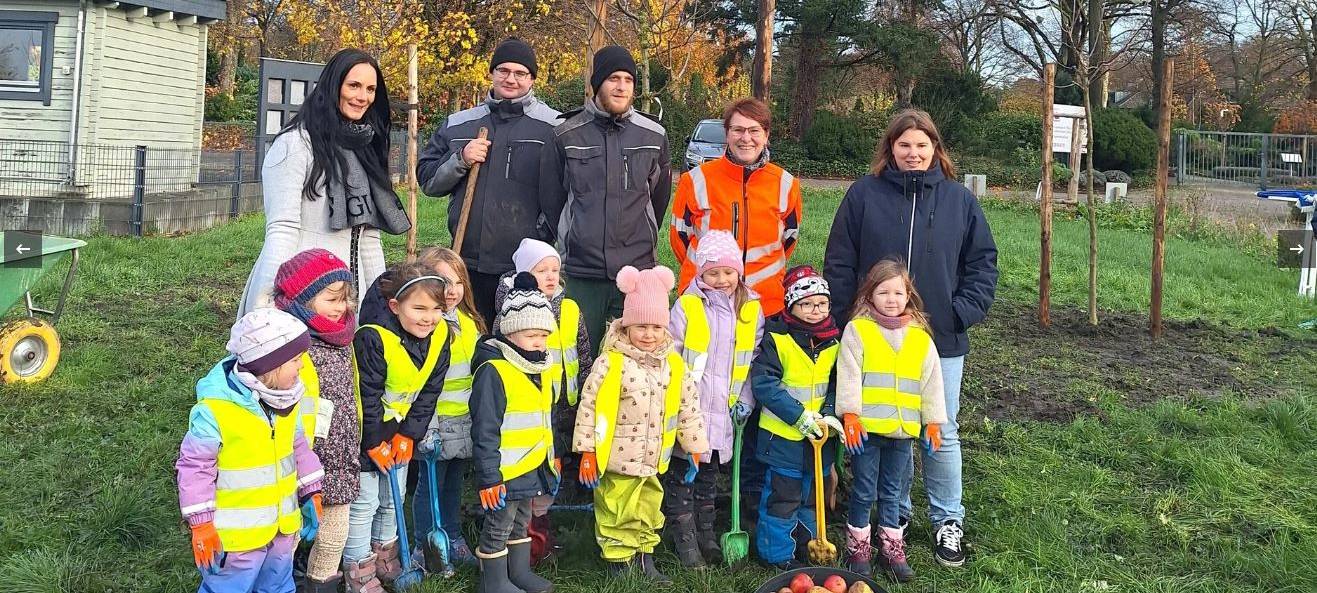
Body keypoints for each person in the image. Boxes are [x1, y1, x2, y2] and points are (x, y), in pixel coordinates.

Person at [823, 108, 997, 568]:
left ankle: (947, 521)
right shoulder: (864, 195)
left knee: (941, 429)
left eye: (922, 145)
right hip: (874, 338)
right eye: (904, 145)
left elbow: (983, 264)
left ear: (935, 150)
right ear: (891, 150)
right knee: (884, 428)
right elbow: (839, 260)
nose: (913, 153)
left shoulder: (960, 201)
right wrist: (848, 321)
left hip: (939, 341)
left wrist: (959, 314)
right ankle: (890, 521)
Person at [239, 49, 409, 318]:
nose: (362, 97)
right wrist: (265, 305)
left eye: (370, 89)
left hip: (351, 293)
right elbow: (282, 229)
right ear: (334, 86)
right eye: (353, 85)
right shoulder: (296, 144)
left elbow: (369, 237)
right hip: (304, 290)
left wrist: (377, 306)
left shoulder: (367, 147)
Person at [573, 265, 708, 583]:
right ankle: (619, 561)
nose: (648, 334)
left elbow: (688, 407)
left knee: (649, 507)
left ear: (665, 328)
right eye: (641, 327)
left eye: (655, 327)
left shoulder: (674, 364)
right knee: (617, 509)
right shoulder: (612, 362)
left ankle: (644, 557)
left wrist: (695, 446)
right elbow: (589, 407)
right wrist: (588, 451)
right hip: (617, 458)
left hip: (653, 458)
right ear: (626, 326)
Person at [176, 308, 325, 593]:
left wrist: (311, 492)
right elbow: (194, 468)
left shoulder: (286, 402)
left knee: (278, 586)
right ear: (271, 365)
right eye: (296, 360)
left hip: (281, 529)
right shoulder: (215, 412)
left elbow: (299, 448)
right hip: (236, 541)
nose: (302, 367)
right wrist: (201, 523)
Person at [416, 38, 562, 325]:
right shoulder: (459, 124)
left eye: (520, 73)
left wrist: (543, 231)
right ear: (492, 73)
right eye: (503, 71)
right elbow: (428, 181)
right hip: (466, 262)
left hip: (524, 266)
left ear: (532, 78)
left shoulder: (554, 127)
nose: (511, 79)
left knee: (517, 338)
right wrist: (461, 158)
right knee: (468, 339)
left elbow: (567, 191)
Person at [540, 45, 672, 352]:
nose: (622, 86)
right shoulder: (565, 134)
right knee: (576, 355)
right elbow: (552, 199)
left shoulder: (653, 135)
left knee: (629, 360)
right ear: (596, 83)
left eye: (628, 79)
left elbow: (658, 199)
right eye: (614, 78)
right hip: (581, 271)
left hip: (636, 273)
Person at [837, 259, 947, 582]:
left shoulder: (920, 338)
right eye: (883, 292)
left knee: (892, 491)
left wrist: (933, 422)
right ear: (869, 295)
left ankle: (891, 548)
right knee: (863, 489)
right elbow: (849, 376)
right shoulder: (858, 331)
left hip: (902, 432)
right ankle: (858, 548)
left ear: (908, 295)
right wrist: (850, 415)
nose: (891, 299)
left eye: (898, 292)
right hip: (867, 432)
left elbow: (932, 383)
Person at [345, 265, 451, 593]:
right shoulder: (373, 338)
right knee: (364, 503)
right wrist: (373, 442)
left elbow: (430, 390)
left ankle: (385, 554)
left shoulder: (441, 336)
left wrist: (409, 435)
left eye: (437, 309)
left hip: (401, 429)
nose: (429, 318)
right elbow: (367, 396)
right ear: (395, 307)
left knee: (393, 497)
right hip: (364, 432)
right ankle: (358, 566)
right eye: (419, 308)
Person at [664, 230, 763, 568]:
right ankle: (684, 537)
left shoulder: (750, 310)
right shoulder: (688, 307)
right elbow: (672, 355)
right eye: (712, 272)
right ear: (700, 274)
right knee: (683, 477)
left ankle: (706, 533)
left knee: (709, 479)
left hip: (726, 413)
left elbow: (752, 362)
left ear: (739, 271)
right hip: (691, 411)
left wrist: (746, 399)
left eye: (728, 272)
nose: (721, 280)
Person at [491, 238, 595, 561]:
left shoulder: (570, 309)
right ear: (524, 273)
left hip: (565, 406)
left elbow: (584, 354)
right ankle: (523, 539)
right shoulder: (510, 313)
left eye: (555, 270)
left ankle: (543, 531)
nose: (551, 276)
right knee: (529, 476)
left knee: (553, 470)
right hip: (532, 411)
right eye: (541, 270)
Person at [269, 249, 360, 593]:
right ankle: (278, 583)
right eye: (332, 299)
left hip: (340, 453)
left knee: (335, 532)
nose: (342, 308)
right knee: (288, 532)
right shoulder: (284, 341)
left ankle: (321, 584)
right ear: (302, 299)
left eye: (346, 299)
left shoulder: (345, 337)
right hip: (299, 456)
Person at [469, 272, 561, 593]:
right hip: (504, 471)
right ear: (510, 334)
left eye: (544, 335)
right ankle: (493, 582)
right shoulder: (494, 370)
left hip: (531, 465)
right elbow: (485, 429)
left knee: (522, 520)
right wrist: (489, 477)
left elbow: (545, 418)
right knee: (499, 523)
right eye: (531, 334)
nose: (539, 342)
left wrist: (552, 457)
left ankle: (517, 573)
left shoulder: (540, 367)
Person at [669, 97, 803, 316]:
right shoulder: (695, 180)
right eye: (738, 130)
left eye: (754, 130)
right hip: (704, 301)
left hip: (764, 304)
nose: (746, 138)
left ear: (766, 135)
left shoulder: (786, 184)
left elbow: (789, 239)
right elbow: (679, 239)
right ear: (727, 133)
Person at [749, 265, 840, 571]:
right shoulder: (778, 338)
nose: (815, 310)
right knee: (782, 499)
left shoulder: (834, 339)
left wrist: (828, 415)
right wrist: (799, 417)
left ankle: (808, 547)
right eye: (806, 304)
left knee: (812, 497)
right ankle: (776, 555)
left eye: (822, 304)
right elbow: (765, 384)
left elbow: (837, 384)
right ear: (791, 305)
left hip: (820, 440)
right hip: (784, 439)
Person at [405, 247, 487, 570]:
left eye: (457, 282)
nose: (451, 290)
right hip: (436, 424)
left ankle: (452, 535)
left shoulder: (470, 322)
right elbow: (424, 385)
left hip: (463, 423)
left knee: (454, 483)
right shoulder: (429, 326)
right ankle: (424, 545)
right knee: (430, 487)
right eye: (442, 282)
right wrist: (429, 427)